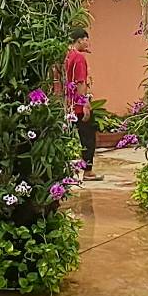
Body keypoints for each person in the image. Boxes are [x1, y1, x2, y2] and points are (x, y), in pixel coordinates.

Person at [64, 28, 101, 181]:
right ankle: (88, 171)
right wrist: (85, 103)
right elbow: (80, 82)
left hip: (67, 104)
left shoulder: (66, 56)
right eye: (86, 39)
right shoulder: (79, 58)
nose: (87, 43)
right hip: (77, 105)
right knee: (88, 137)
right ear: (79, 40)